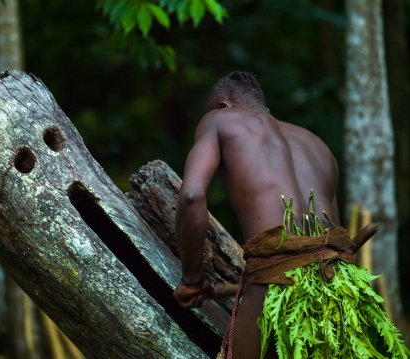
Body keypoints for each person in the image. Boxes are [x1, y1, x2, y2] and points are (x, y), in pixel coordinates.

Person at [172, 71, 408, 359]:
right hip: (341, 290)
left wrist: (191, 280)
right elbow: (335, 243)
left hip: (276, 280)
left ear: (224, 106)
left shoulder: (219, 120)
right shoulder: (315, 143)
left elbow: (192, 196)